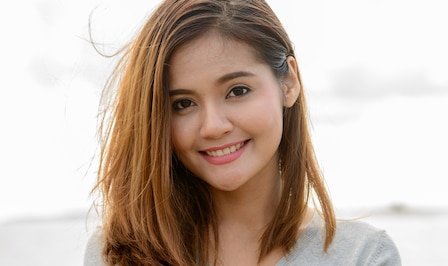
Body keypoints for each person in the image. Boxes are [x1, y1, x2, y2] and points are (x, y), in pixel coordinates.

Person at [84, 0, 401, 265]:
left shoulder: (362, 256)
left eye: (237, 90)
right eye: (183, 103)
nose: (213, 126)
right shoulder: (115, 252)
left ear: (288, 82)